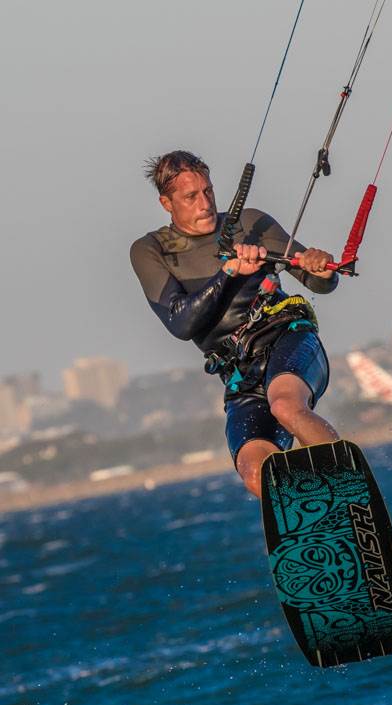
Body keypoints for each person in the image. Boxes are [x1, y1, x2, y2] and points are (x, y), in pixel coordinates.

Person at [131, 150, 340, 497]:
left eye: (208, 191)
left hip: (287, 338)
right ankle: (313, 510)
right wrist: (229, 271)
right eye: (191, 197)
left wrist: (321, 267)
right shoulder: (151, 250)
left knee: (285, 406)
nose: (204, 204)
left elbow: (320, 282)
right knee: (255, 471)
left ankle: (348, 492)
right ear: (166, 203)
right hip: (240, 372)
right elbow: (181, 323)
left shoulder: (251, 223)